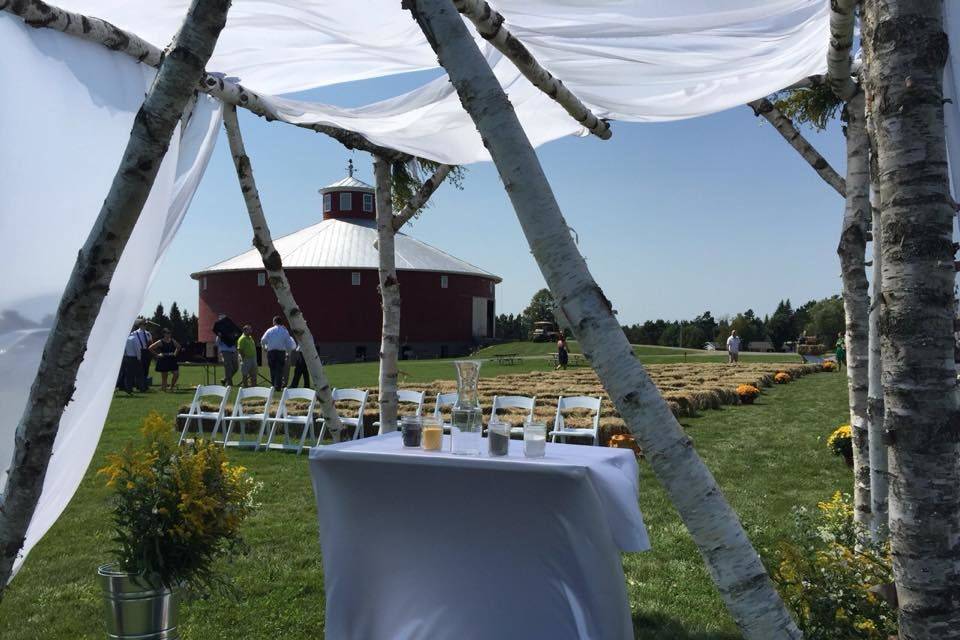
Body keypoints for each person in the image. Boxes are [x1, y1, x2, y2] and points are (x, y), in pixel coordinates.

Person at [261, 316, 294, 391]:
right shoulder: (285, 331)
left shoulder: (269, 330)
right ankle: (278, 386)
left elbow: (263, 340)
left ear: (274, 322)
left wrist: (264, 347)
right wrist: (288, 353)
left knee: (272, 369)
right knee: (279, 370)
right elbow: (289, 344)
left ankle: (273, 385)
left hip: (271, 352)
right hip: (281, 352)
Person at [213, 313, 241, 386]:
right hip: (225, 351)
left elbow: (236, 336)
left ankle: (225, 379)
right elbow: (217, 343)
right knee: (228, 367)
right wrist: (220, 336)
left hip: (233, 350)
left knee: (236, 367)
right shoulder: (220, 332)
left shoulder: (231, 329)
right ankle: (230, 384)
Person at [119, 327, 145, 394]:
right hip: (134, 358)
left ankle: (128, 388)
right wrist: (139, 358)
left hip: (125, 357)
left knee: (128, 375)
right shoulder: (134, 338)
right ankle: (141, 388)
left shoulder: (123, 339)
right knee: (139, 374)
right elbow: (137, 349)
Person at [132, 319, 152, 391]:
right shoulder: (134, 333)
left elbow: (150, 343)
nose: (145, 326)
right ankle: (139, 385)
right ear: (140, 325)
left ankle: (144, 385)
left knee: (146, 369)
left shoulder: (148, 333)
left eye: (146, 324)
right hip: (139, 351)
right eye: (144, 324)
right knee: (140, 370)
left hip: (147, 352)